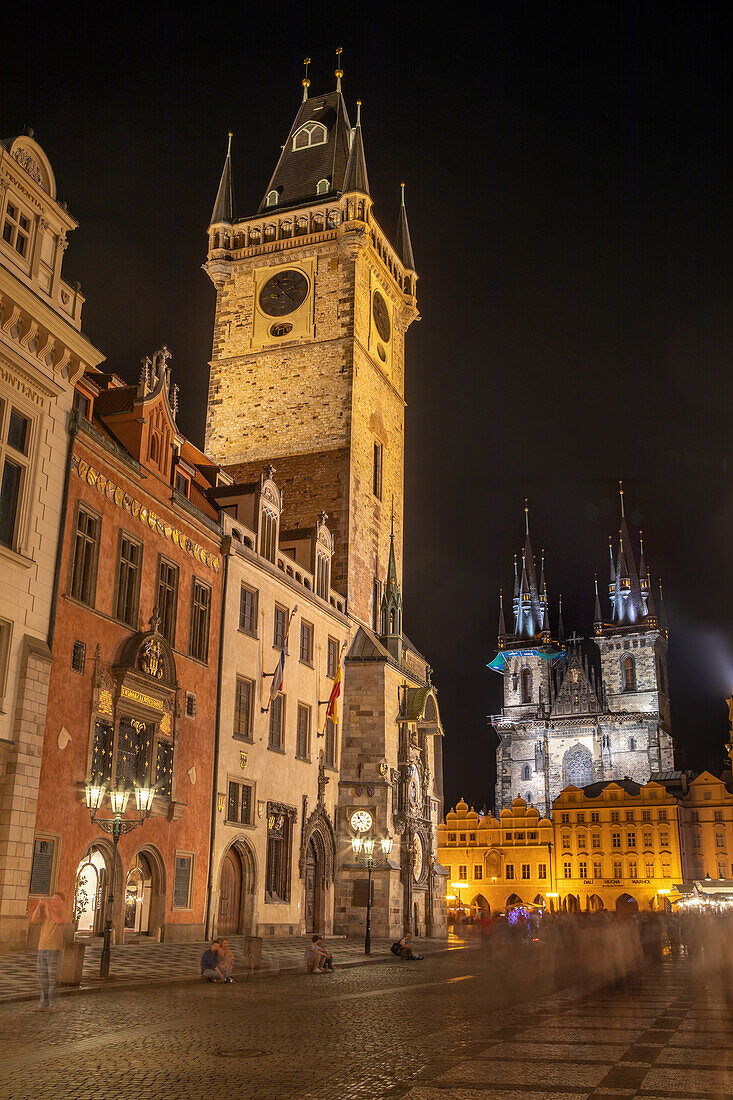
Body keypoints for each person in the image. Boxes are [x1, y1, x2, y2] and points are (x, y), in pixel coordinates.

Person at [30, 892, 68, 1012]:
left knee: (52, 979)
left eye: (55, 899)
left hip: (54, 949)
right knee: (42, 978)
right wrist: (39, 906)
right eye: (52, 899)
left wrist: (50, 909)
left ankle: (54, 1004)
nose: (52, 901)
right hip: (42, 948)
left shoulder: (64, 912)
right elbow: (34, 920)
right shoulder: (47, 912)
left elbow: (59, 922)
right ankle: (42, 1003)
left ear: (61, 901)